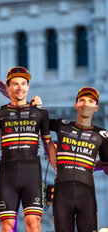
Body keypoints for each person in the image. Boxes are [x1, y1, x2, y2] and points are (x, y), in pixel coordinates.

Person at [0, 66, 56, 232]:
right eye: (15, 84)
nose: (19, 87)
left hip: (32, 175)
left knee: (33, 225)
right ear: (8, 87)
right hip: (7, 176)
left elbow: (48, 145)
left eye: (23, 83)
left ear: (28, 87)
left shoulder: (40, 112)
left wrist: (60, 171)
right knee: (6, 227)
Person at [49, 87, 108, 231]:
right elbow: (35, 117)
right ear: (75, 105)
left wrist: (87, 165)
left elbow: (107, 167)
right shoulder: (62, 125)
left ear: (96, 107)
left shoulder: (102, 134)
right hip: (62, 194)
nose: (85, 104)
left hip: (86, 194)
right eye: (82, 100)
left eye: (90, 101)